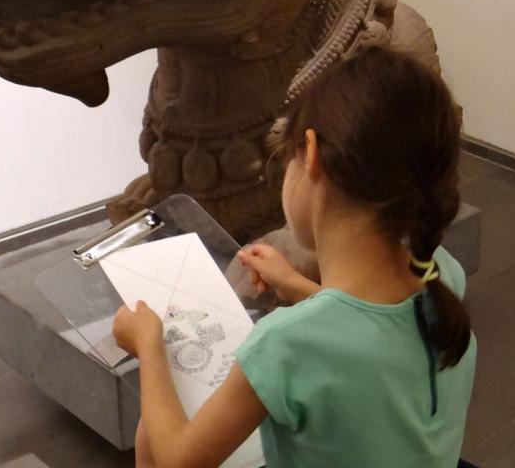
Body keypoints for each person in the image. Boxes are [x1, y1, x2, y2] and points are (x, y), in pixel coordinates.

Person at [112, 47, 477, 468]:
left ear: (311, 153)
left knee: (150, 440)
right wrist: (301, 288)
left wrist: (149, 346)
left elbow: (181, 460)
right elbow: (370, 331)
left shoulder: (285, 343)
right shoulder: (443, 273)